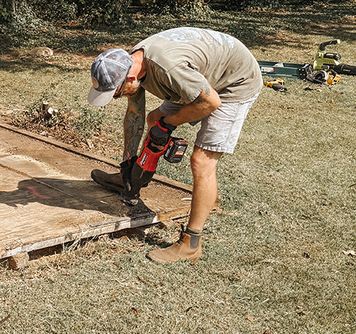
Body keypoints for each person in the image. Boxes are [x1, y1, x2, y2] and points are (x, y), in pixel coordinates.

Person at [87, 27, 262, 263]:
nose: (116, 97)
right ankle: (131, 178)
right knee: (153, 120)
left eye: (116, 92)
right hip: (197, 77)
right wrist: (128, 163)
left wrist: (168, 125)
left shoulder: (168, 68)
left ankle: (191, 243)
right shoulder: (128, 63)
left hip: (232, 83)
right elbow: (135, 113)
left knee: (201, 161)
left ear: (130, 78)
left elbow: (211, 102)